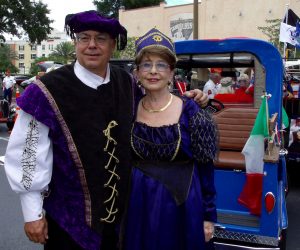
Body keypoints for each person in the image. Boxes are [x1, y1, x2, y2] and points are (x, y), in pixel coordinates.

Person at [4, 10, 209, 250]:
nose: (91, 45)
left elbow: (156, 103)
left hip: (122, 221)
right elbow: (27, 154)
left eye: (100, 38)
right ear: (75, 42)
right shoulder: (46, 91)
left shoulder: (127, 83)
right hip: (68, 221)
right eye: (84, 37)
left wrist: (189, 99)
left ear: (113, 46)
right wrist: (32, 213)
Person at [122, 28, 218, 250]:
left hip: (181, 205)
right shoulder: (127, 108)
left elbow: (206, 169)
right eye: (146, 64)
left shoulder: (191, 111)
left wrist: (208, 215)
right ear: (137, 72)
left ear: (172, 72)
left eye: (161, 65)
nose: (153, 71)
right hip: (139, 203)